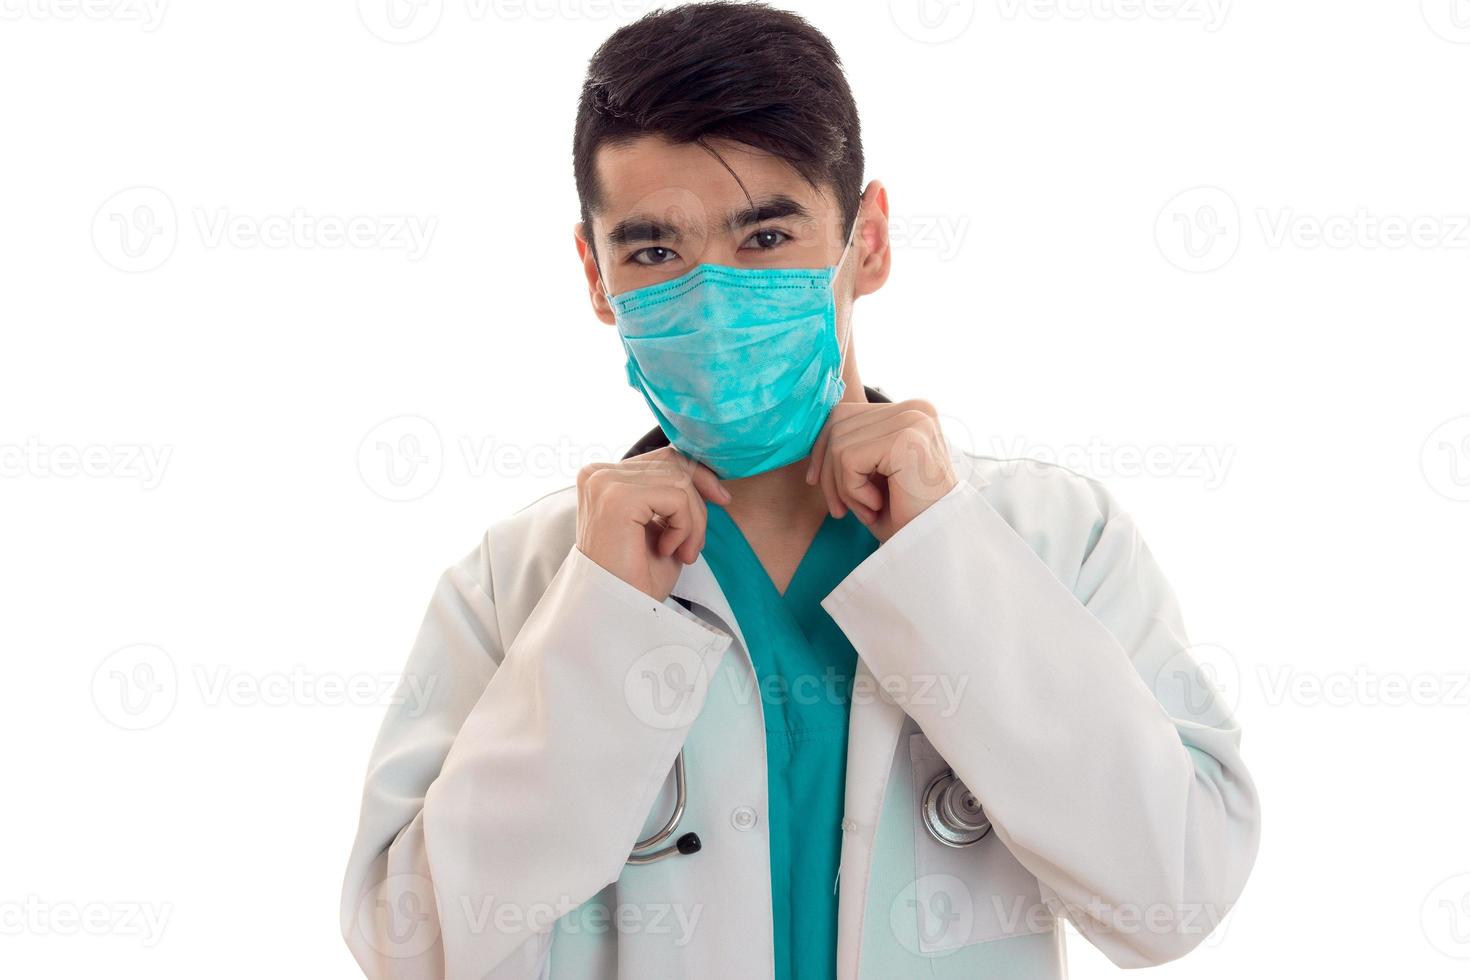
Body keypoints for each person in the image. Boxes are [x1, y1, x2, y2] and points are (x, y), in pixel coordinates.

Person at [339, 3, 1260, 977]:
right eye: (654, 251)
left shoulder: (1052, 537)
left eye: (766, 237)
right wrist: (596, 624)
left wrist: (950, 556)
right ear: (595, 274)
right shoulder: (517, 583)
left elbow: (1174, 897)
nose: (711, 295)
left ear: (867, 241)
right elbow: (416, 946)